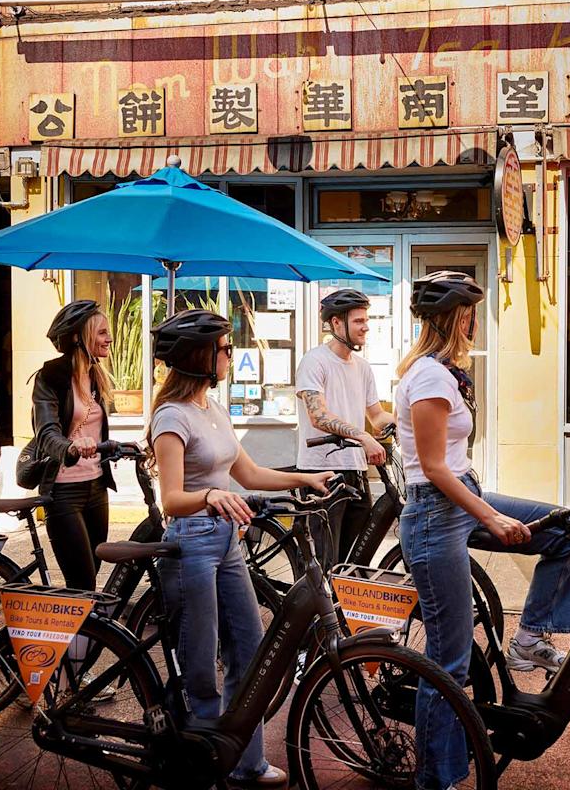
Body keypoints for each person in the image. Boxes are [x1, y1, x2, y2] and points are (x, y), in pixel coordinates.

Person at [396, 271, 570, 789]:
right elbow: (434, 467)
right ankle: (435, 780)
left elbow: (449, 460)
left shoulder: (440, 372)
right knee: (449, 661)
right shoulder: (430, 377)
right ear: (459, 319)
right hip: (437, 513)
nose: (476, 324)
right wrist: (491, 515)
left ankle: (529, 637)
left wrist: (483, 504)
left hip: (461, 496)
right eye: (472, 315)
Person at [148, 309, 333, 789]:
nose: (231, 354)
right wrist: (210, 496)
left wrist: (301, 479)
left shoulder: (213, 408)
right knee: (201, 666)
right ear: (201, 355)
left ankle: (245, 762)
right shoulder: (171, 416)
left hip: (227, 541)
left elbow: (248, 474)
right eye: (225, 347)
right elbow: (171, 499)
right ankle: (201, 768)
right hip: (190, 544)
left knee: (250, 654)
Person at [295, 288, 396, 564]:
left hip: (355, 470)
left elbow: (376, 416)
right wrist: (363, 436)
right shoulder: (314, 361)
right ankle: (318, 608)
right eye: (358, 321)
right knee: (326, 561)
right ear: (336, 323)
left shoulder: (362, 367)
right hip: (322, 473)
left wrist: (410, 423)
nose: (366, 327)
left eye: (367, 320)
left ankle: (343, 608)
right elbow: (319, 416)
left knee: (354, 560)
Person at [31, 300, 116, 592]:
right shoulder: (51, 377)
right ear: (80, 337)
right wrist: (70, 447)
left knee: (92, 571)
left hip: (96, 486)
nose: (109, 338)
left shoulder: (97, 377)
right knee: (81, 583)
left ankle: (84, 636)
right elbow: (46, 432)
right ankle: (72, 638)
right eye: (102, 332)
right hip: (64, 491)